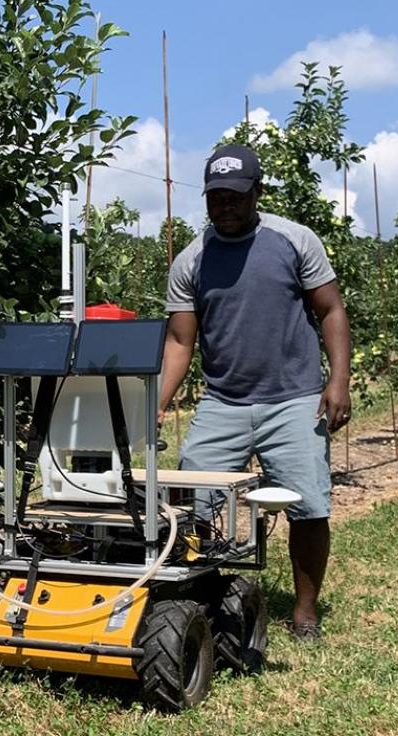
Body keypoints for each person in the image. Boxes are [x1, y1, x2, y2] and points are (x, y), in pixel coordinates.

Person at [158, 143, 351, 642]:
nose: (224, 205)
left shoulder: (293, 240)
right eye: (215, 196)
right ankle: (201, 593)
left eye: (235, 196)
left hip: (294, 398)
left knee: (307, 505)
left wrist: (338, 380)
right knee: (189, 501)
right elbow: (181, 341)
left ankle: (305, 610)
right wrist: (155, 403)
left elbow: (331, 310)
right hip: (224, 399)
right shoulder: (191, 260)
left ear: (256, 193)